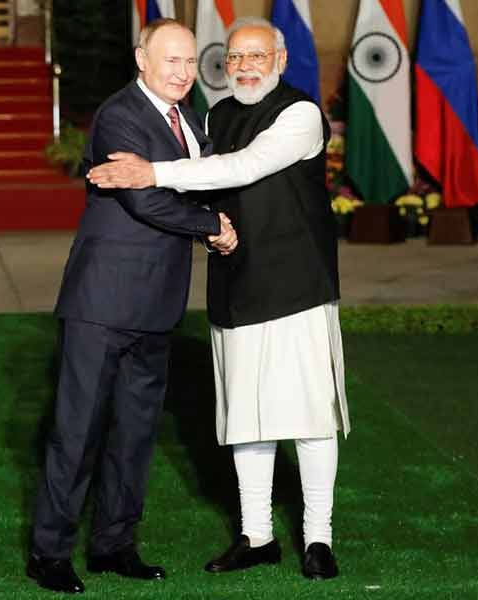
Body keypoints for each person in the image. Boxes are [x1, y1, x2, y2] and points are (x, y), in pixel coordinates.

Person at [87, 16, 348, 581]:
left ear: (280, 60)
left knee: (309, 417)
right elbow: (208, 178)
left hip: (298, 283)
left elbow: (246, 166)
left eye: (258, 56)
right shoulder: (216, 114)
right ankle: (257, 536)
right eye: (234, 58)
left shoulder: (300, 115)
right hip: (236, 279)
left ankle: (319, 538)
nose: (245, 67)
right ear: (224, 66)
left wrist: (150, 172)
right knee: (245, 417)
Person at [26, 19, 238, 595]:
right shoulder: (119, 115)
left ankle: (114, 545)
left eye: (191, 62)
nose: (183, 73)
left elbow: (206, 176)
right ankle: (49, 553)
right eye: (171, 61)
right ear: (142, 59)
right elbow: (147, 199)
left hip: (157, 304)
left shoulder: (191, 119)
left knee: (136, 434)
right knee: (77, 432)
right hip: (102, 302)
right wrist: (209, 226)